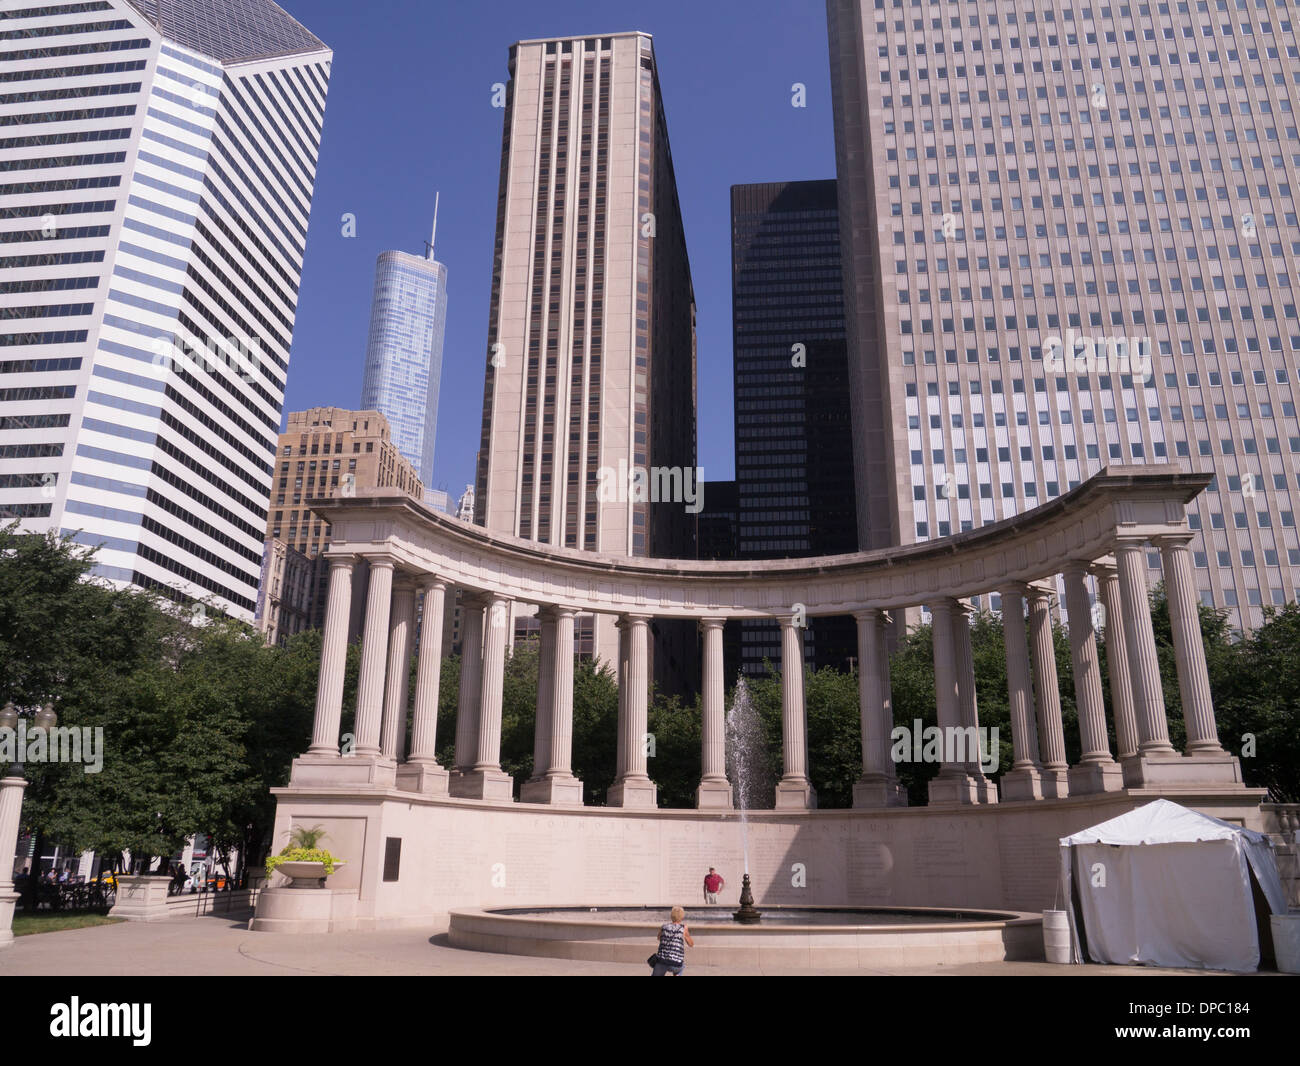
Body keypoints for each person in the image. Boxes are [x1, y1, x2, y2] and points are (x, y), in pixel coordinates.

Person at [650, 906, 693, 976]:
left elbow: (658, 938)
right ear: (682, 916)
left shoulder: (664, 926)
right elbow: (691, 944)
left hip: (661, 961)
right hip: (675, 964)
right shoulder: (683, 928)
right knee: (681, 966)